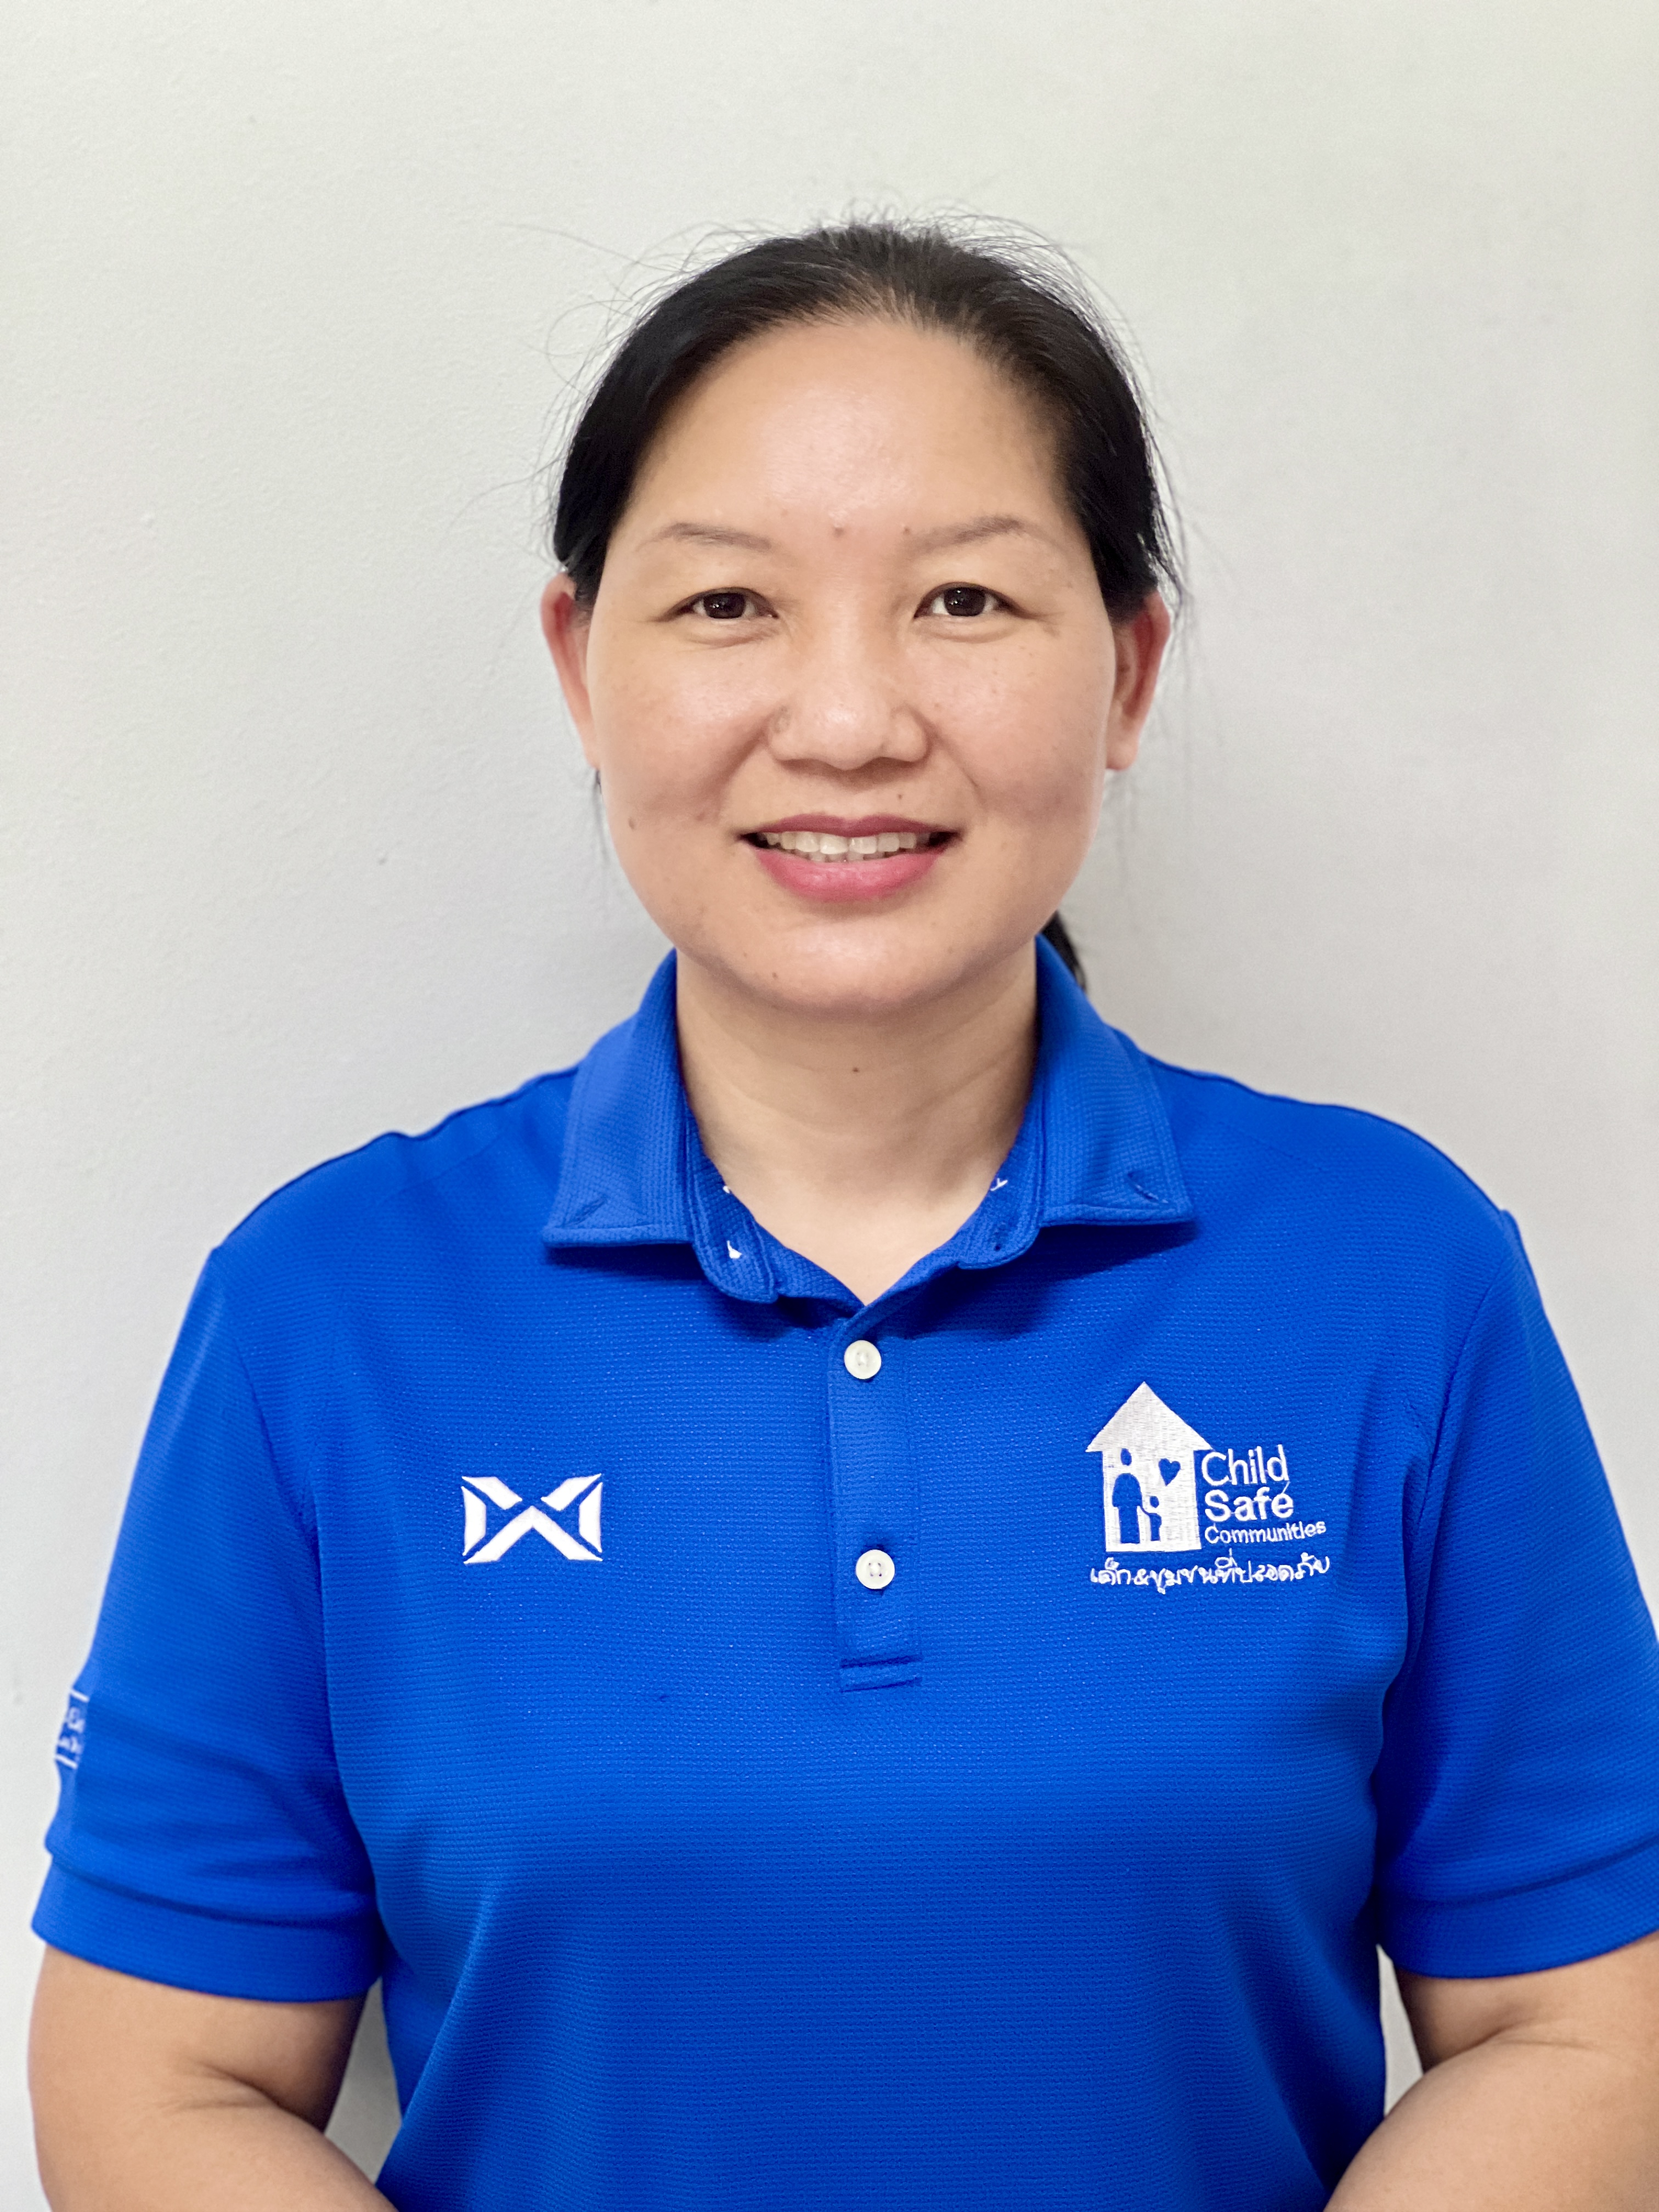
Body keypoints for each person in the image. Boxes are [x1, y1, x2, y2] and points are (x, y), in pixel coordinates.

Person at [27, 220, 1659, 2211]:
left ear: (1129, 670)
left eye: (965, 599)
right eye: (729, 604)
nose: (851, 719)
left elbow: (1586, 2029)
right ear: (583, 667)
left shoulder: (1394, 1274)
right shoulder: (333, 1310)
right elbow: (160, 2078)